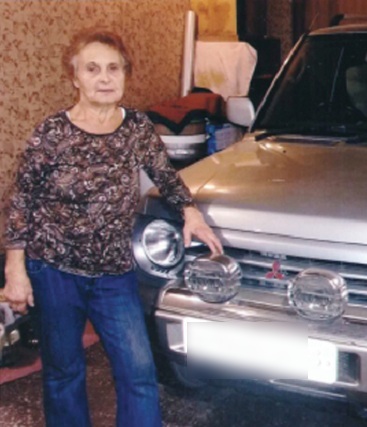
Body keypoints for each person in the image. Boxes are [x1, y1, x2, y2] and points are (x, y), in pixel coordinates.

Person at [2, 28, 222, 427]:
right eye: (92, 69)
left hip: (114, 273)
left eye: (113, 69)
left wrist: (190, 212)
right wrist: (15, 270)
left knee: (138, 371)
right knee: (64, 372)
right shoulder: (52, 133)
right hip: (54, 270)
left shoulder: (137, 128)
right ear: (75, 77)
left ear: (124, 74)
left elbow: (165, 176)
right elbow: (20, 201)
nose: (104, 78)